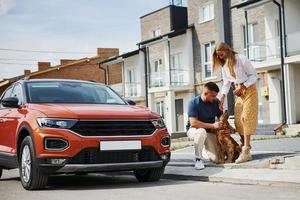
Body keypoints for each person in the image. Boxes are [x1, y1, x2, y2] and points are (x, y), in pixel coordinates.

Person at [212, 42, 258, 164]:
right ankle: (244, 146)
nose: (220, 57)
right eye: (218, 56)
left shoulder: (241, 59)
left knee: (246, 118)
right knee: (238, 121)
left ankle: (246, 151)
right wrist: (222, 98)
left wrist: (243, 86)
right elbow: (227, 82)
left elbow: (254, 76)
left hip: (249, 90)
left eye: (221, 54)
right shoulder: (225, 66)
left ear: (226, 50)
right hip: (239, 93)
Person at [187, 82, 231, 170]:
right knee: (201, 132)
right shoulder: (193, 103)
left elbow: (221, 119)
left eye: (216, 96)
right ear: (206, 93)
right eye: (213, 96)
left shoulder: (216, 102)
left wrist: (227, 126)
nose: (215, 98)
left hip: (209, 131)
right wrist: (213, 126)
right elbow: (194, 123)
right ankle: (198, 159)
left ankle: (201, 148)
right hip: (194, 130)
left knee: (216, 159)